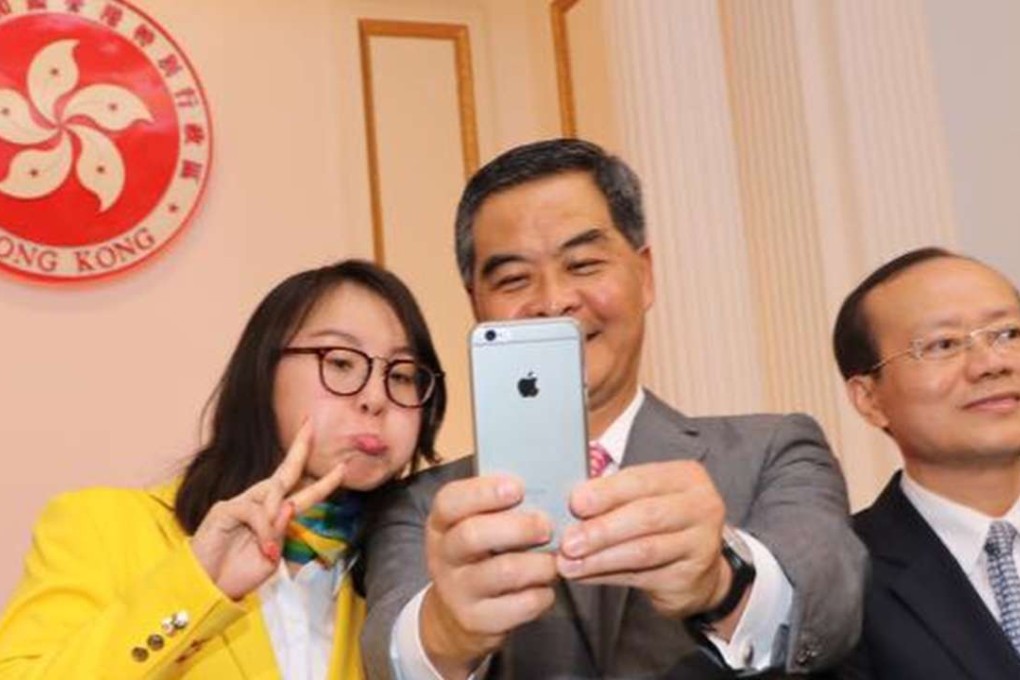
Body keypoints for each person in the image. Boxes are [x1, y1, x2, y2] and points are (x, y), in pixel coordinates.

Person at [361, 138, 865, 679]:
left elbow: (831, 602)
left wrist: (723, 579)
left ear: (644, 275)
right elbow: (387, 654)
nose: (553, 301)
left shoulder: (774, 449)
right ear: (477, 306)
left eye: (583, 263)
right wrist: (445, 633)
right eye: (512, 279)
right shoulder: (428, 507)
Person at [0, 259, 447, 679]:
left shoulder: (407, 583)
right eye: (342, 363)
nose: (376, 397)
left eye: (403, 375)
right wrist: (195, 583)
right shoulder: (102, 525)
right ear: (262, 372)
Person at [833, 247, 1020, 678]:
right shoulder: (840, 579)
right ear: (869, 398)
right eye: (943, 344)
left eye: (1007, 334)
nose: (991, 364)